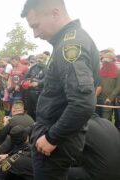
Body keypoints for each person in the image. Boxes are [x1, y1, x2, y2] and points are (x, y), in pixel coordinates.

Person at [21, 0, 100, 180]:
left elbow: (83, 103)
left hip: (55, 144)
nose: (35, 34)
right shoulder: (68, 41)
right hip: (57, 135)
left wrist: (51, 138)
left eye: (36, 25)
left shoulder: (69, 47)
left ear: (55, 13)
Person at [68, 115, 120, 180]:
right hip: (117, 173)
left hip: (99, 175)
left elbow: (69, 151)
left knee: (57, 170)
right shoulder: (108, 122)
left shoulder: (82, 126)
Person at [96, 49, 120, 120]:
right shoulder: (100, 70)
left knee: (105, 120)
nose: (105, 63)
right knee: (97, 118)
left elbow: (118, 87)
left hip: (107, 100)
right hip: (97, 98)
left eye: (107, 61)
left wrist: (110, 98)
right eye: (104, 61)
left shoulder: (118, 72)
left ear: (113, 61)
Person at [23, 53, 46, 120]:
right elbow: (26, 77)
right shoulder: (33, 67)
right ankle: (31, 123)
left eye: (41, 58)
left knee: (39, 108)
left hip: (40, 91)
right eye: (38, 57)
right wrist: (28, 80)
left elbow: (48, 79)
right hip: (30, 91)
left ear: (44, 59)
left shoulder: (47, 67)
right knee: (29, 108)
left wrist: (38, 83)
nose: (40, 59)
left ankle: (39, 123)